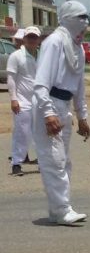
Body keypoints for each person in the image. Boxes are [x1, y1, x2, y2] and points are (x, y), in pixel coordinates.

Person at [33, 1, 90, 226]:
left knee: (64, 161)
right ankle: (61, 210)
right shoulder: (54, 42)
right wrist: (48, 114)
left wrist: (82, 116)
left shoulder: (77, 48)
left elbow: (79, 87)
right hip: (49, 104)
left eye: (87, 18)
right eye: (80, 17)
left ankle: (59, 208)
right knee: (53, 160)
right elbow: (41, 84)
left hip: (64, 107)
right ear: (67, 18)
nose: (85, 23)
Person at [8, 26, 41, 176]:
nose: (32, 40)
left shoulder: (42, 56)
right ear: (25, 39)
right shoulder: (16, 56)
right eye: (29, 37)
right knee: (22, 133)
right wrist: (14, 99)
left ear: (38, 40)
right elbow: (11, 79)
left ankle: (43, 162)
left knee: (41, 133)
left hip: (39, 101)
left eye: (35, 37)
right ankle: (16, 163)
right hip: (22, 101)